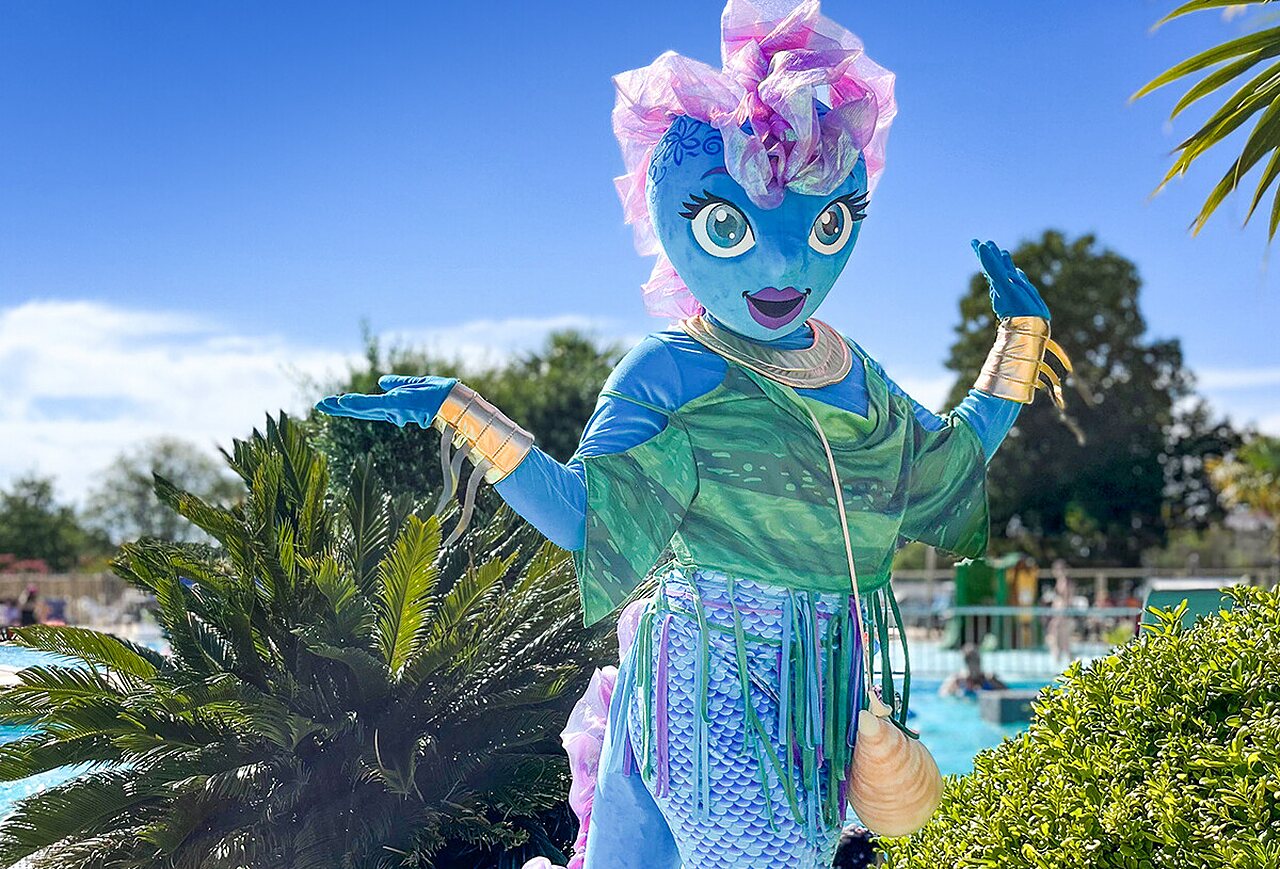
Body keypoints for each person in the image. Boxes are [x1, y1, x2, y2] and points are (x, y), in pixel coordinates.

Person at [317, 1, 1071, 865]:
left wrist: (1018, 346)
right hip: (715, 691)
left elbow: (942, 462)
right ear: (671, 220)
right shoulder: (674, 367)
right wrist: (464, 411)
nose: (785, 268)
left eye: (826, 225)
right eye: (727, 225)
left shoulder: (846, 365)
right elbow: (588, 515)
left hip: (809, 686)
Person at [939, 644, 1007, 698]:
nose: (975, 664)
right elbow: (943, 694)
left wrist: (993, 682)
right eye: (972, 660)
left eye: (977, 660)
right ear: (967, 662)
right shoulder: (957, 680)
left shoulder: (988, 679)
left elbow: (1007, 693)